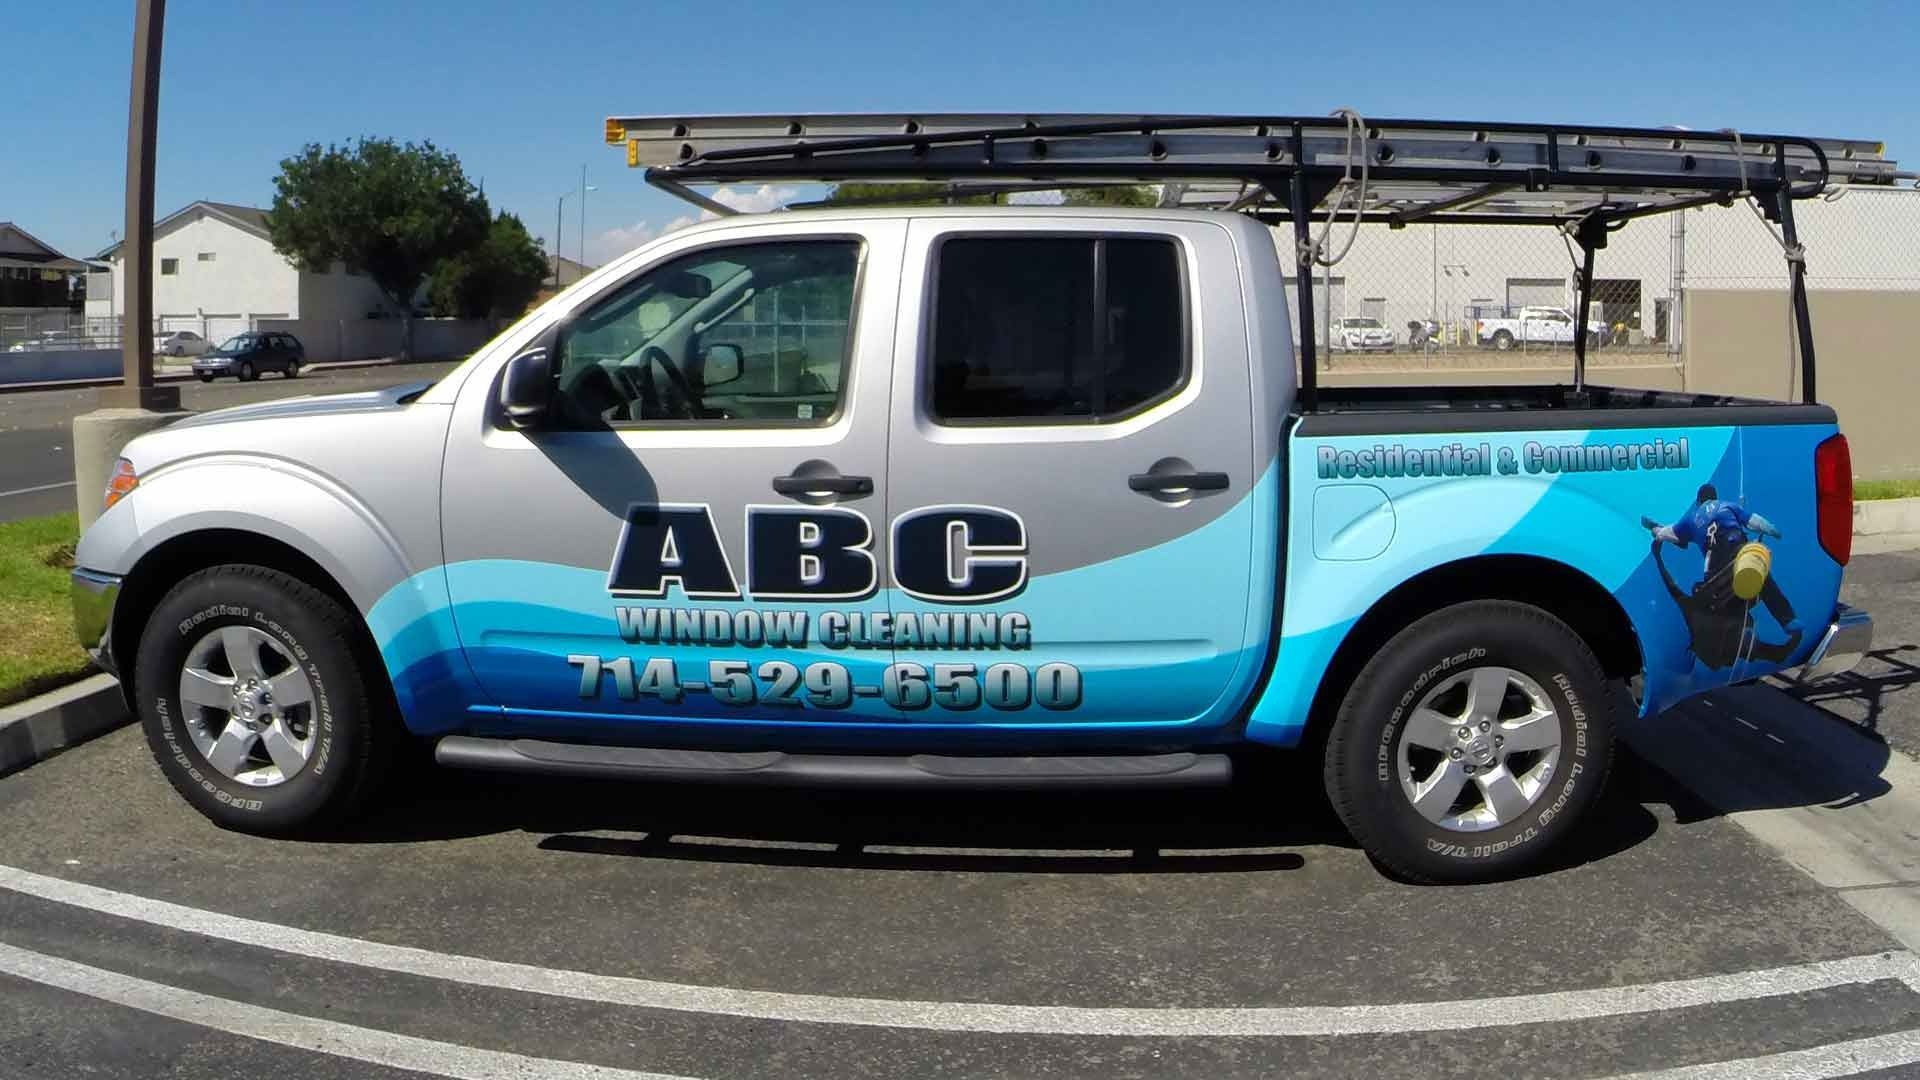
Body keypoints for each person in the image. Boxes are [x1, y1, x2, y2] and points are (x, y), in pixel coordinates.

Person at [1645, 484, 1801, 667]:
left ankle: (1746, 639)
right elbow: (1755, 522)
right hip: (1737, 563)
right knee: (1763, 578)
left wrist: (1656, 530)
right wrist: (1772, 531)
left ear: (1698, 501)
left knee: (1719, 616)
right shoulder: (1727, 506)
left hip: (1713, 578)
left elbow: (1668, 534)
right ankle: (1788, 621)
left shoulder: (1692, 518)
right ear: (1715, 497)